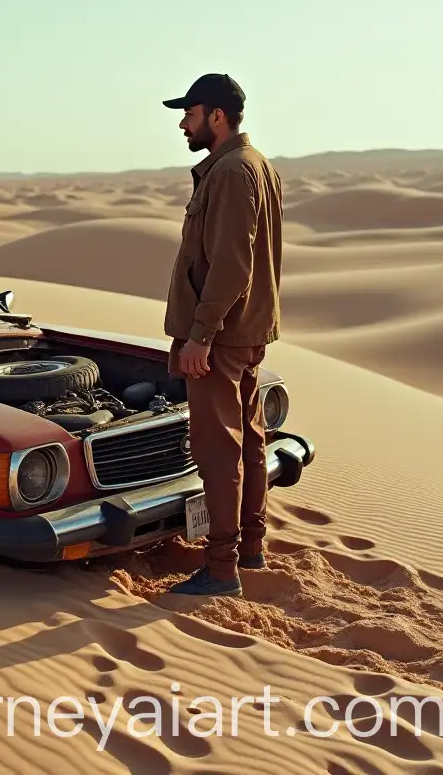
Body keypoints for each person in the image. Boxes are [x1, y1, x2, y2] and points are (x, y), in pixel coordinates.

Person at [160, 73, 283, 597]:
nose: (182, 125)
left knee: (219, 451)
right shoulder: (254, 166)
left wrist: (201, 335)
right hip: (248, 330)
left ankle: (221, 568)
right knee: (251, 443)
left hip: (223, 336)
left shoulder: (231, 172)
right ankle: (249, 549)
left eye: (188, 114)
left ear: (216, 116)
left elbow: (231, 267)